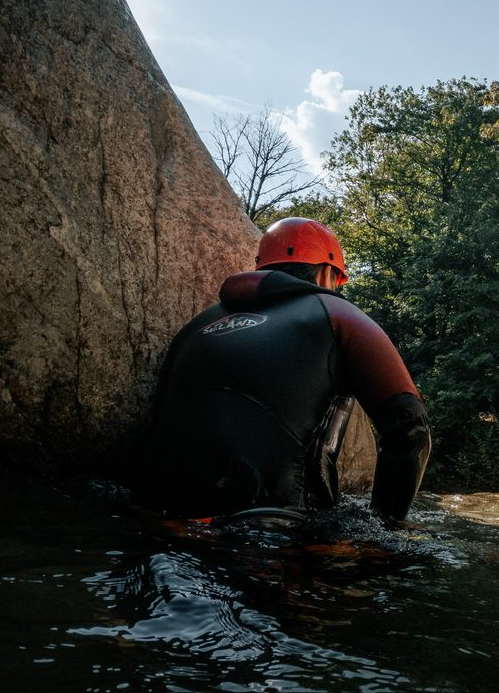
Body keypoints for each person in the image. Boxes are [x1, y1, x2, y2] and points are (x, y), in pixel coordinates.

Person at [136, 217, 430, 523]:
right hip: (274, 534)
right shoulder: (339, 315)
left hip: (159, 522)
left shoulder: (193, 330)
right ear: (327, 272)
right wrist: (385, 533)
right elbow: (410, 428)